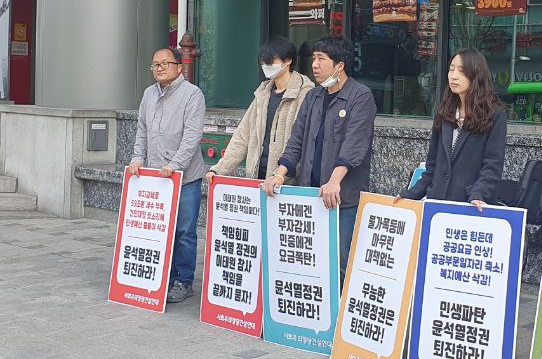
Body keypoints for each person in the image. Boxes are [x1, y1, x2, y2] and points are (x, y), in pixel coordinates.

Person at [262, 36, 375, 275]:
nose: (314, 64)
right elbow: (296, 140)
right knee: (311, 261)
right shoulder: (313, 96)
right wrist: (279, 174)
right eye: (313, 58)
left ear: (339, 65)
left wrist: (334, 181)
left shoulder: (360, 96)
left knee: (340, 262)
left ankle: (339, 300)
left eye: (321, 59)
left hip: (342, 198)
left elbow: (354, 145)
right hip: (310, 194)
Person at [128, 47, 207, 304]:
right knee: (159, 231)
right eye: (155, 64)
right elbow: (141, 131)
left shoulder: (192, 95)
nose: (159, 68)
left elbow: (192, 137)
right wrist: (137, 158)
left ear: (179, 67)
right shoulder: (148, 94)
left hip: (184, 178)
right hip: (155, 177)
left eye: (165, 63)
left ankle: (184, 281)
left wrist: (175, 165)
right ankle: (161, 278)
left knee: (184, 231)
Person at [399, 49, 508, 208]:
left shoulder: (494, 114)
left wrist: (479, 194)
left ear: (476, 75)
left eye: (461, 71)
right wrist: (410, 194)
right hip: (437, 202)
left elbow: (492, 165)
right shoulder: (444, 111)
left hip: (470, 205)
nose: (453, 76)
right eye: (451, 69)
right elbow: (432, 165)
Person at [210, 37, 315, 180]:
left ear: (287, 61)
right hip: (257, 176)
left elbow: (302, 142)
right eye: (263, 62)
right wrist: (218, 170)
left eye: (270, 62)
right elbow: (242, 136)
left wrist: (280, 175)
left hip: (287, 182)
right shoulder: (262, 93)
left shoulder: (305, 93)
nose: (266, 66)